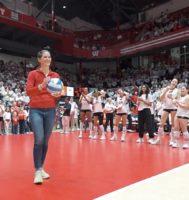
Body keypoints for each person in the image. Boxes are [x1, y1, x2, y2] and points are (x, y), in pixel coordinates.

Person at [26, 49, 61, 184]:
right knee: (39, 139)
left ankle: (41, 168)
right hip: (36, 110)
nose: (47, 58)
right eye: (45, 57)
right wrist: (42, 85)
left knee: (45, 141)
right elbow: (29, 92)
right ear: (39, 59)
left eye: (49, 56)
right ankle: (37, 171)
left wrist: (58, 95)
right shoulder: (33, 74)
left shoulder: (55, 75)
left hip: (51, 110)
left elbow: (56, 94)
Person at [152, 78, 179, 145]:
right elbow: (161, 99)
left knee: (173, 124)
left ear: (176, 84)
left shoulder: (177, 90)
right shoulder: (165, 89)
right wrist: (166, 90)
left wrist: (173, 99)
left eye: (175, 82)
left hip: (173, 108)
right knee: (161, 124)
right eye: (173, 81)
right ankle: (158, 139)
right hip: (166, 107)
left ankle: (172, 140)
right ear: (171, 82)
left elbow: (178, 99)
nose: (174, 82)